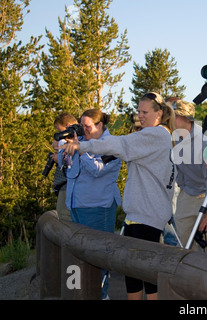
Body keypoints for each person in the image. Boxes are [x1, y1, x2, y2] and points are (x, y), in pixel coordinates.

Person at [61, 92, 176, 299]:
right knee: (132, 275)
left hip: (147, 215)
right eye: (138, 111)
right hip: (139, 214)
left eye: (145, 112)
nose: (140, 116)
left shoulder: (156, 135)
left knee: (147, 275)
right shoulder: (152, 135)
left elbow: (120, 145)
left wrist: (82, 146)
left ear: (159, 113)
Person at [58, 109, 122, 300]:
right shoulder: (82, 142)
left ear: (100, 125)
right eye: (82, 125)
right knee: (78, 254)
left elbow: (98, 170)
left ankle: (101, 295)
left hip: (98, 207)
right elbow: (67, 167)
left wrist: (81, 150)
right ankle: (81, 293)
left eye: (87, 126)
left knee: (98, 255)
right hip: (76, 205)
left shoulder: (111, 144)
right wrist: (65, 148)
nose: (84, 130)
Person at [171, 99, 207, 250]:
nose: (171, 120)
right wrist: (183, 188)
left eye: (175, 115)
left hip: (206, 199)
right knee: (183, 244)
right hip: (186, 196)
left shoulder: (205, 141)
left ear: (186, 118)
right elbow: (178, 171)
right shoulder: (174, 140)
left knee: (205, 245)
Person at [52, 112, 79, 222]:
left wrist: (59, 157)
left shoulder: (79, 140)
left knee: (65, 220)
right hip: (65, 186)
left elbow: (72, 163)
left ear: (68, 126)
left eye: (60, 131)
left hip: (67, 186)